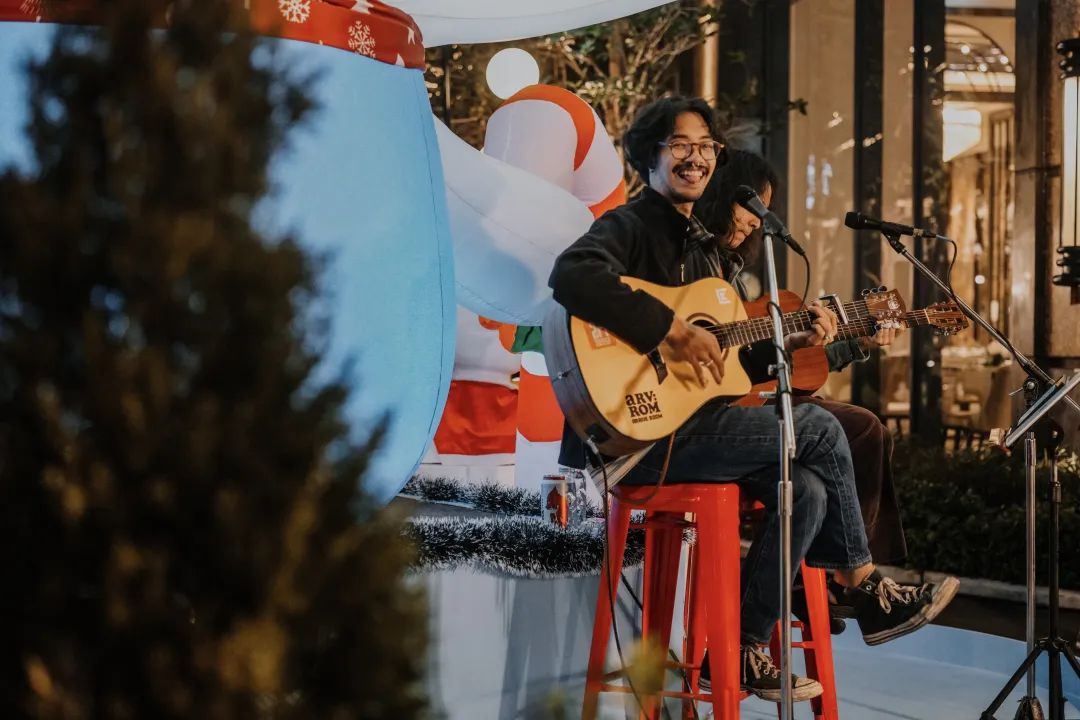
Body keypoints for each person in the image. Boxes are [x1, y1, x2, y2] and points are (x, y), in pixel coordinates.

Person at [548, 96, 958, 703]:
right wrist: (666, 328)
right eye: (680, 146)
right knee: (819, 428)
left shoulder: (707, 254)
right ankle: (863, 581)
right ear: (649, 156)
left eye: (706, 147)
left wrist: (799, 336)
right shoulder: (632, 225)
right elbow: (571, 275)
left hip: (694, 423)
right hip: (641, 438)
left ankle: (736, 649)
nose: (696, 157)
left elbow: (732, 370)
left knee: (808, 487)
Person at [695, 149, 915, 631]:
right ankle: (855, 577)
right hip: (701, 421)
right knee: (842, 426)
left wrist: (854, 340)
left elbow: (781, 365)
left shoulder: (730, 272)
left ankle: (801, 597)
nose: (757, 223)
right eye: (751, 208)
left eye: (763, 213)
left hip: (744, 401)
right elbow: (752, 369)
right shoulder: (693, 265)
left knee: (841, 453)